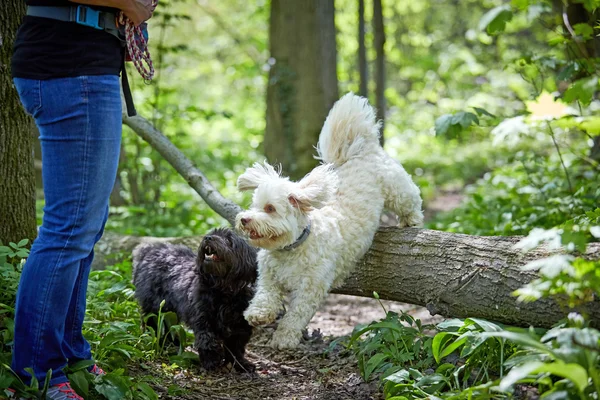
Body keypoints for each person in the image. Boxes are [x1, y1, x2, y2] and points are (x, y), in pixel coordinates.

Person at [10, 0, 155, 398]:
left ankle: (69, 352)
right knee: (69, 230)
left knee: (84, 227)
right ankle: (38, 371)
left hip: (80, 66)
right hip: (72, 69)